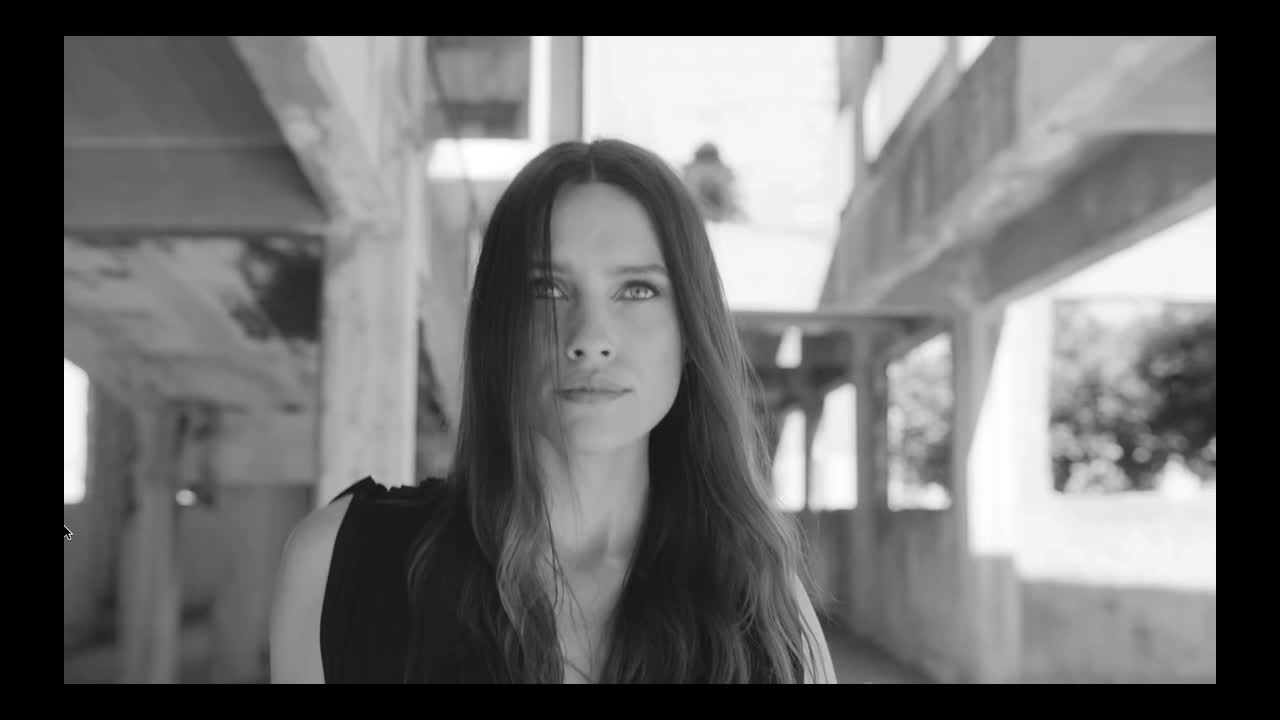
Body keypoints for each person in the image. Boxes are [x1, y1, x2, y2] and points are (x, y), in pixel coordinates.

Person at [269, 138, 837, 684]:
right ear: (498, 326)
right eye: (546, 289)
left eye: (637, 290)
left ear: (691, 331)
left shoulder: (761, 604)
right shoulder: (342, 564)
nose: (590, 339)